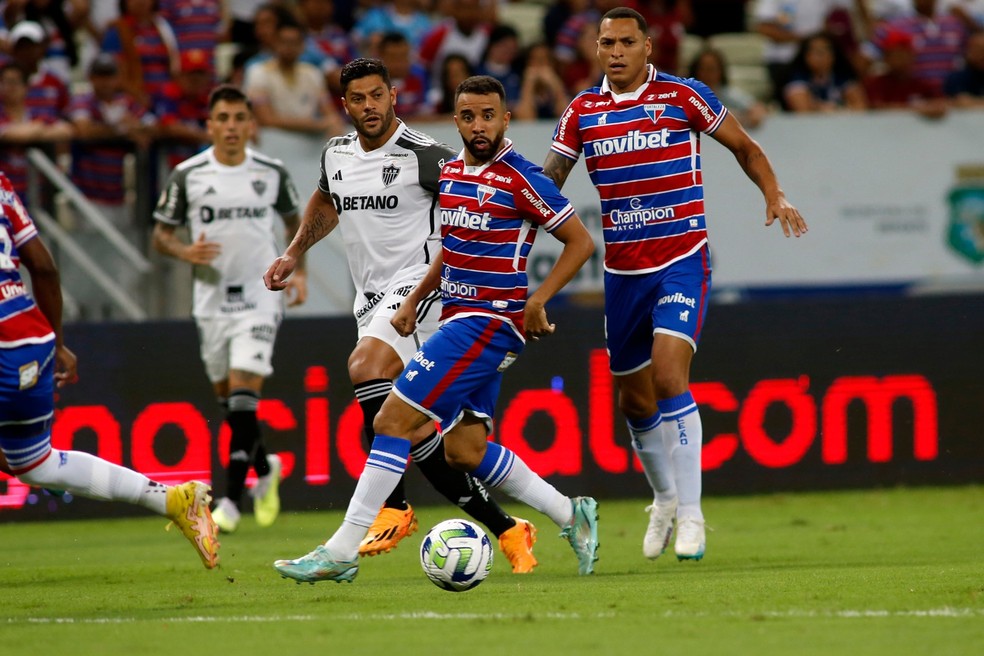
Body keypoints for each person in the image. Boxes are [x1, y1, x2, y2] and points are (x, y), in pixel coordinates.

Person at [266, 73, 600, 583]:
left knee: (390, 421)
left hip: (488, 322)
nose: (479, 125)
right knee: (460, 450)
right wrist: (416, 302)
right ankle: (567, 512)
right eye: (468, 116)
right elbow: (451, 249)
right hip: (452, 315)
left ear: (505, 119)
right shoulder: (455, 176)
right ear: (457, 120)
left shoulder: (522, 176)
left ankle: (342, 549)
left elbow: (580, 242)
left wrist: (539, 299)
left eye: (489, 115)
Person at [543, 7, 807, 562]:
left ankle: (692, 515)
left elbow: (746, 147)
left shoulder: (684, 95)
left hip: (682, 257)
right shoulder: (582, 111)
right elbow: (547, 182)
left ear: (648, 47)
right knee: (632, 400)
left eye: (625, 42)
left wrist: (774, 193)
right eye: (606, 42)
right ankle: (664, 498)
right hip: (622, 272)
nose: (615, 51)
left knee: (668, 375)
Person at [0, 170, 219, 570]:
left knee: (27, 462)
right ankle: (170, 499)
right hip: (29, 338)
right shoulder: (1, 183)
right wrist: (58, 342)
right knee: (32, 463)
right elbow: (44, 268)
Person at [152, 84, 304, 534]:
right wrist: (184, 252)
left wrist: (301, 270)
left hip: (260, 297)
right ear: (210, 125)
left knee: (242, 394)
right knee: (231, 404)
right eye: (224, 119)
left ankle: (232, 502)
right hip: (211, 301)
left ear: (251, 125)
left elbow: (298, 221)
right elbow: (160, 233)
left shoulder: (271, 172)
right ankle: (266, 465)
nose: (232, 127)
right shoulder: (188, 174)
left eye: (240, 118)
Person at [783, 31, 867, 113]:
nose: (821, 56)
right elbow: (803, 109)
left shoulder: (843, 77)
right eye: (815, 51)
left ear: (834, 55)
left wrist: (823, 108)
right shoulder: (796, 78)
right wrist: (838, 109)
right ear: (806, 56)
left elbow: (860, 107)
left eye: (825, 51)